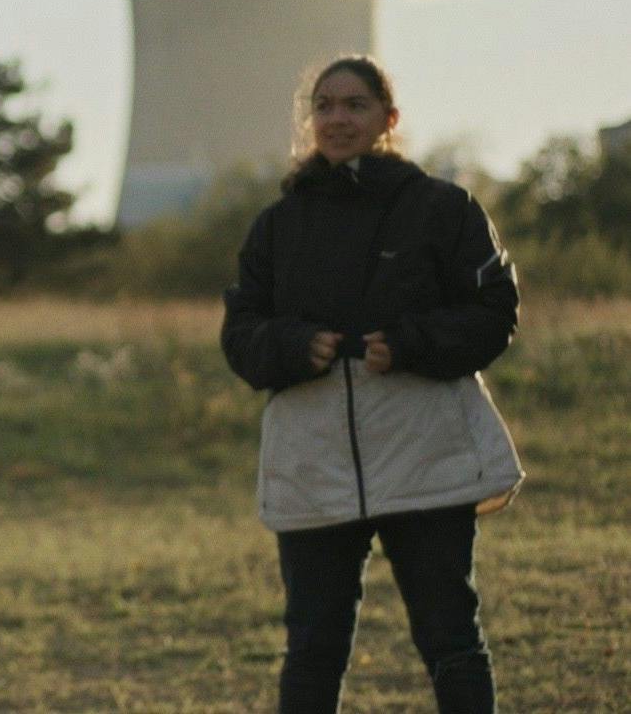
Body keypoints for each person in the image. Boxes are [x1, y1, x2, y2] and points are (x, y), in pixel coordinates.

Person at [221, 55, 524, 714]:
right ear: (309, 121)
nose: (337, 118)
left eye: (355, 105)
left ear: (389, 119)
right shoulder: (277, 226)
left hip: (424, 447)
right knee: (312, 646)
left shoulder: (443, 209)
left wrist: (413, 343)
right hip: (315, 457)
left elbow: (493, 313)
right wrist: (296, 346)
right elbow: (240, 335)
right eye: (324, 105)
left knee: (450, 636)